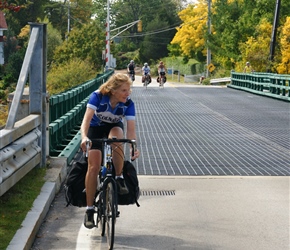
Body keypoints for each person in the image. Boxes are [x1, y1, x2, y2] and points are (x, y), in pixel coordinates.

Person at [80, 73, 140, 229]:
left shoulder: (128, 104)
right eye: (124, 90)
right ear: (113, 91)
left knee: (117, 139)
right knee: (93, 167)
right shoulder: (98, 97)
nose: (128, 94)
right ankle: (89, 210)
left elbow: (131, 130)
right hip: (95, 129)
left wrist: (133, 146)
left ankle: (119, 177)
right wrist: (84, 137)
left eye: (129, 90)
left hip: (113, 128)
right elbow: (86, 120)